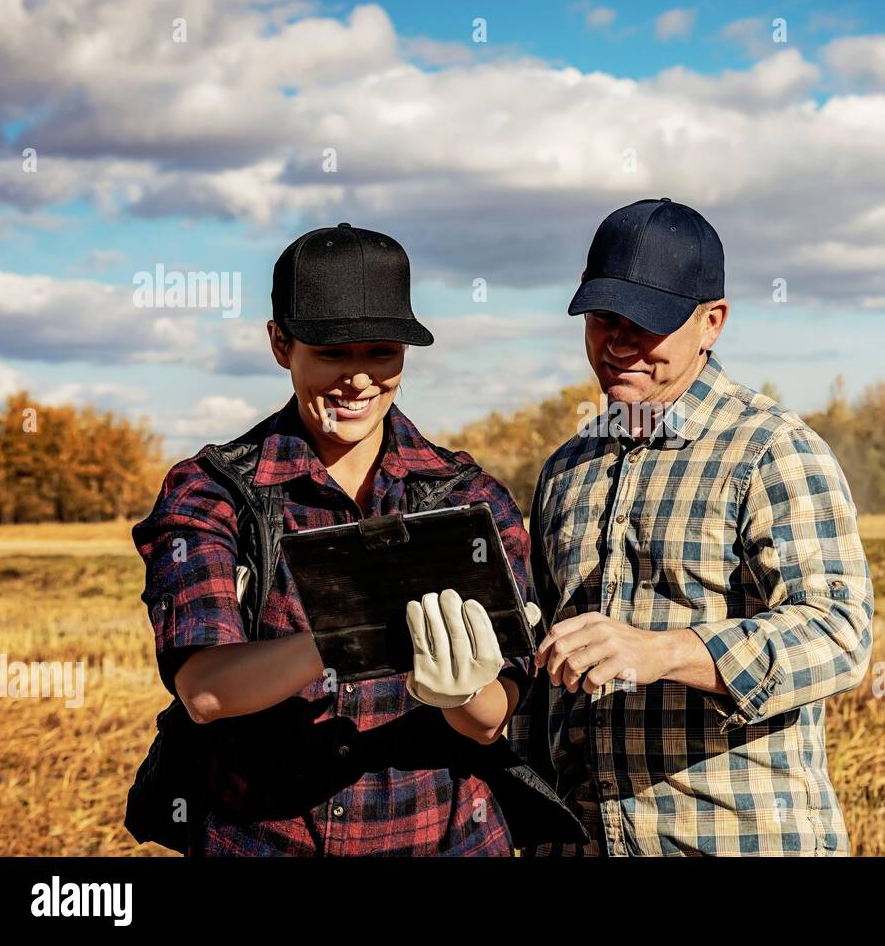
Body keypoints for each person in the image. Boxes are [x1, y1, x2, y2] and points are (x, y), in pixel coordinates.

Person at [131, 222, 577, 856]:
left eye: (382, 353)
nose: (359, 381)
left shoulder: (468, 498)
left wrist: (463, 691)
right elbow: (206, 692)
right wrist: (351, 632)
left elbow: (489, 720)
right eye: (332, 354)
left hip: (444, 839)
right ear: (280, 344)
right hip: (264, 839)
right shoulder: (214, 492)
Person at [511, 198, 875, 856]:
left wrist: (665, 652)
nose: (618, 343)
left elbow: (839, 632)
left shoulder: (772, 451)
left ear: (712, 322)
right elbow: (542, 677)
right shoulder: (566, 469)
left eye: (645, 323)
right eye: (601, 318)